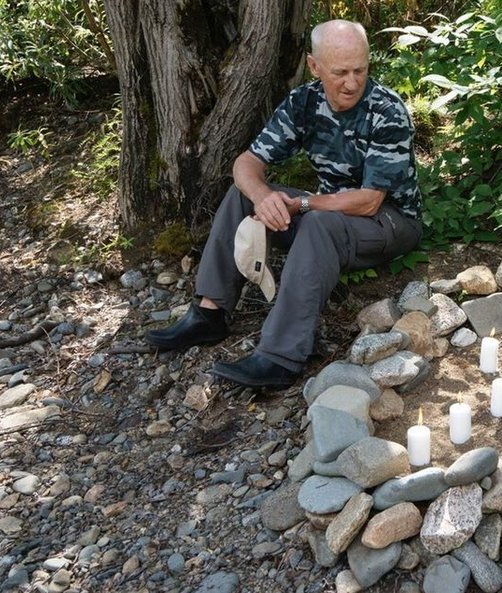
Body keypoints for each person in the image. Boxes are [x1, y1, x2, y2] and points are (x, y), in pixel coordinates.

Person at [145, 20, 422, 388]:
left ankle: (280, 357)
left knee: (320, 222)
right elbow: (246, 163)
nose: (352, 83)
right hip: (329, 215)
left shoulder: (387, 110)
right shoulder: (303, 102)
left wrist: (303, 204)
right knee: (244, 193)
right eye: (340, 72)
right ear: (314, 66)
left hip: (390, 221)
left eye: (360, 70)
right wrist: (264, 198)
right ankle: (208, 314)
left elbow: (369, 201)